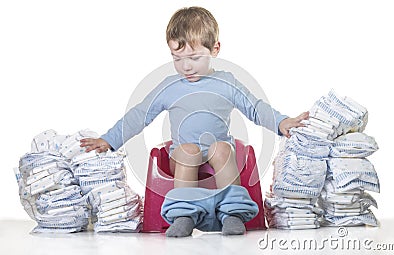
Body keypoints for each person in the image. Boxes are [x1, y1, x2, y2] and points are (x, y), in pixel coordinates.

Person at [80, 6, 309, 237]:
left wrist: (281, 122)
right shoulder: (170, 86)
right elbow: (139, 114)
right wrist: (108, 140)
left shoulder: (226, 82)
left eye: (194, 57)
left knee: (221, 148)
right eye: (177, 59)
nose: (186, 66)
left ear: (215, 49)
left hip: (219, 156)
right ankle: (184, 215)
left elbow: (255, 107)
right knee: (188, 150)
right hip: (181, 157)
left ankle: (232, 213)